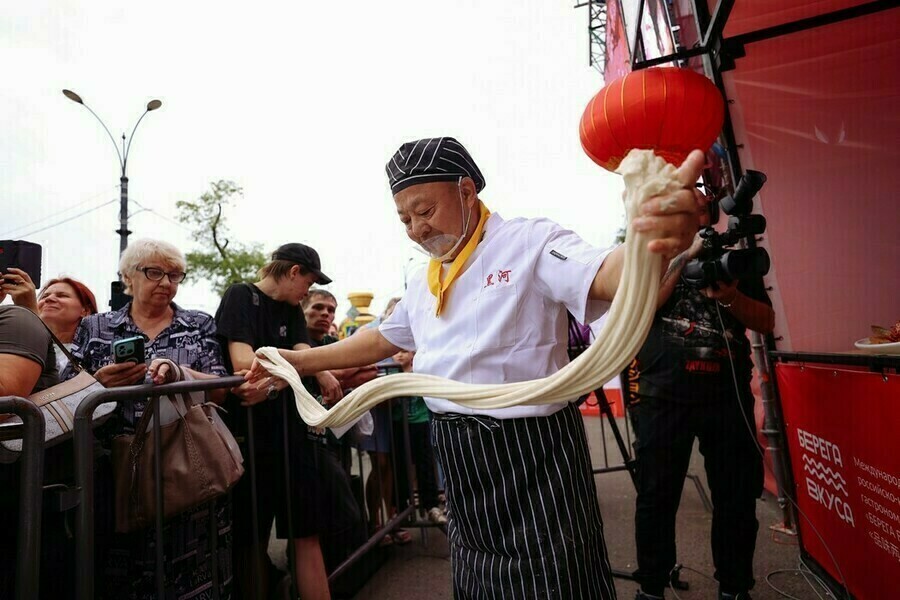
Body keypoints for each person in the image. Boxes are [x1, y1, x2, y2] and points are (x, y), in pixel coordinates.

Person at [248, 136, 704, 599]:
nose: (417, 229)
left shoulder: (529, 241)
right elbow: (384, 337)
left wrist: (653, 241)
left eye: (425, 211)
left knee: (555, 579)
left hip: (531, 450)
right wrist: (296, 360)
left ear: (466, 191)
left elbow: (607, 274)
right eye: (404, 219)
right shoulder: (424, 277)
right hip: (458, 447)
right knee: (476, 579)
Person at [63, 238, 232, 600]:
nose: (166, 283)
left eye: (174, 275)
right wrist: (98, 384)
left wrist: (178, 372)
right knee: (121, 571)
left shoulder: (198, 324)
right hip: (117, 468)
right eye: (154, 272)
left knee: (193, 573)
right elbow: (66, 392)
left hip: (187, 462)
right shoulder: (95, 327)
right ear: (129, 276)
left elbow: (220, 388)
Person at [624, 195, 775, 600]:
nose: (695, 216)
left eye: (702, 209)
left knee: (736, 496)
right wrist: (686, 256)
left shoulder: (737, 259)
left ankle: (734, 587)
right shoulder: (651, 258)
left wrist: (730, 297)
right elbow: (640, 309)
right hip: (663, 396)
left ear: (711, 214)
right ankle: (652, 586)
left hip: (729, 398)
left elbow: (766, 320)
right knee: (656, 495)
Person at [216, 244, 360, 600]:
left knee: (306, 532)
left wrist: (317, 372)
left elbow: (304, 353)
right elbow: (245, 364)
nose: (307, 294)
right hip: (254, 438)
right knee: (253, 538)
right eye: (308, 284)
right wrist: (289, 375)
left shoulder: (293, 310)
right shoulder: (241, 296)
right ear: (293, 272)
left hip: (295, 435)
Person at [1, 269, 99, 373]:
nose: (49, 299)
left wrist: (30, 313)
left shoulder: (96, 351)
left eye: (62, 295)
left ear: (85, 310)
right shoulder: (14, 342)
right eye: (44, 296)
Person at [390, 349, 447, 526]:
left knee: (425, 463)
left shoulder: (420, 372)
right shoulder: (390, 374)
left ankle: (430, 505)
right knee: (400, 465)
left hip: (420, 422)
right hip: (399, 424)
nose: (399, 355)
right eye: (396, 352)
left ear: (412, 354)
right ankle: (401, 505)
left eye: (404, 352)